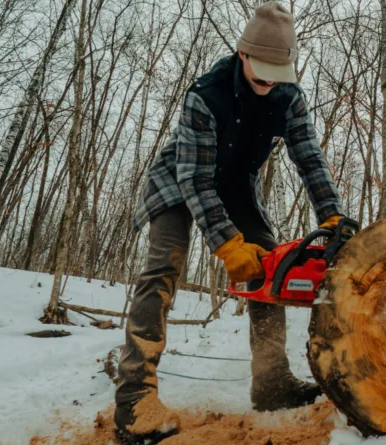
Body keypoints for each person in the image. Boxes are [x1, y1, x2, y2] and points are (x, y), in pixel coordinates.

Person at [113, 2, 345, 443]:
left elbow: (310, 159)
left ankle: (272, 383)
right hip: (179, 179)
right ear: (242, 53)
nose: (269, 82)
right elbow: (195, 180)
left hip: (237, 183)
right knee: (164, 266)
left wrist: (331, 214)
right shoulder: (206, 94)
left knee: (271, 263)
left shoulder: (290, 98)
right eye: (262, 71)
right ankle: (134, 400)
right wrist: (226, 244)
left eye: (277, 74)